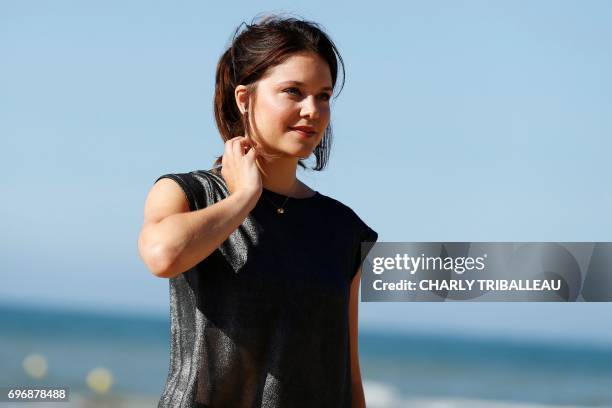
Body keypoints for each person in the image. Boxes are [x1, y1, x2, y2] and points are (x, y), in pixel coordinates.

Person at [138, 14, 378, 408]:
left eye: (323, 96)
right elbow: (163, 256)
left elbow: (347, 372)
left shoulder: (343, 229)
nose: (312, 111)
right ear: (244, 98)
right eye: (293, 91)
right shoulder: (187, 193)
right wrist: (244, 198)